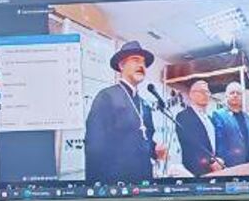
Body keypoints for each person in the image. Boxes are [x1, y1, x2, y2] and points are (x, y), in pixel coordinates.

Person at [82, 41, 165, 184]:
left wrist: (155, 150)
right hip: (116, 184)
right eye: (135, 60)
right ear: (121, 65)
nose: (141, 65)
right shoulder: (106, 96)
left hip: (144, 182)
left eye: (144, 63)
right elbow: (94, 147)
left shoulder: (144, 104)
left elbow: (146, 139)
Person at [176, 80, 226, 176]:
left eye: (207, 92)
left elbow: (217, 143)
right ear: (191, 95)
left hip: (216, 171)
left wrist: (219, 159)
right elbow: (191, 146)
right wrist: (210, 162)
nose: (205, 94)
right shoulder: (183, 116)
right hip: (195, 172)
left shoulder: (210, 119)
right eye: (201, 91)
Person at [211, 82, 249, 167]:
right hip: (231, 166)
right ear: (226, 96)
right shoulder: (219, 115)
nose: (235, 95)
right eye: (232, 93)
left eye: (238, 93)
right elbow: (219, 142)